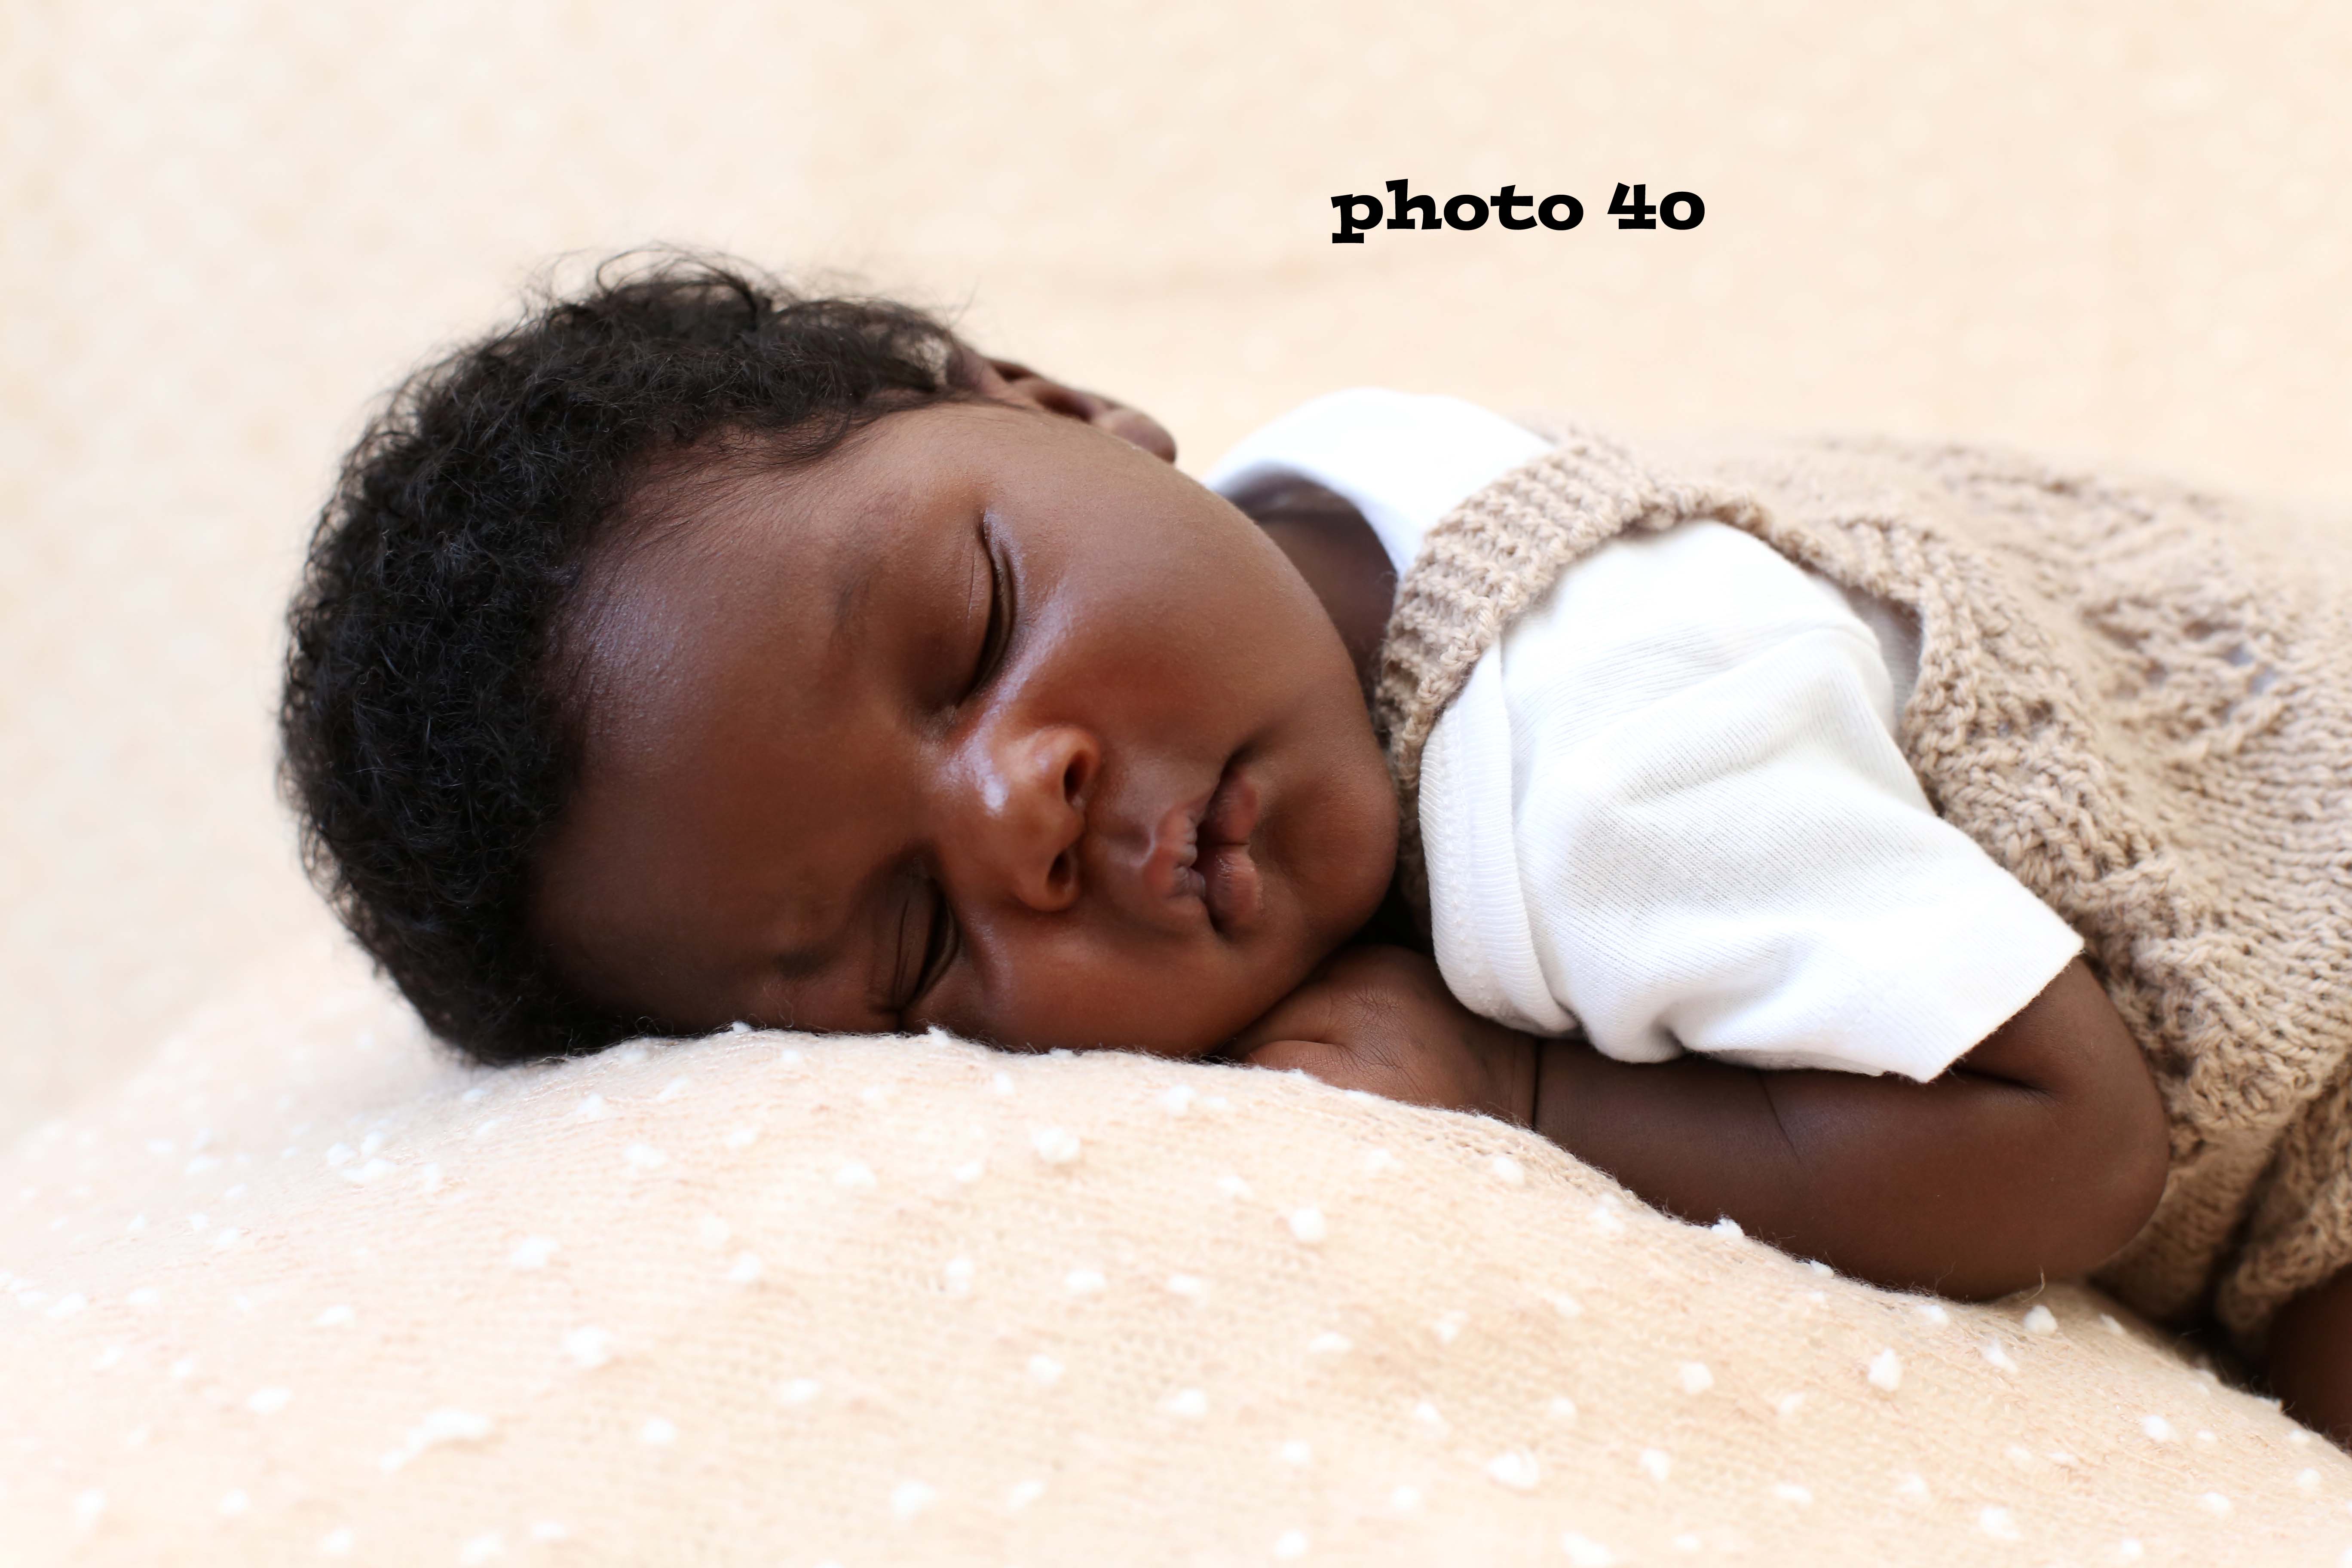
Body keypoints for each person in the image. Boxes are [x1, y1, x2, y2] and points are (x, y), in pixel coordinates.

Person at [279, 252, 2352, 1444]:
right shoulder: (1336, 497)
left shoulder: (1603, 764)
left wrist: (1517, 1094)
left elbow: (2067, 1137)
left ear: (1068, 406)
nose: (1022, 815)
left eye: (978, 630)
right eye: (914, 946)